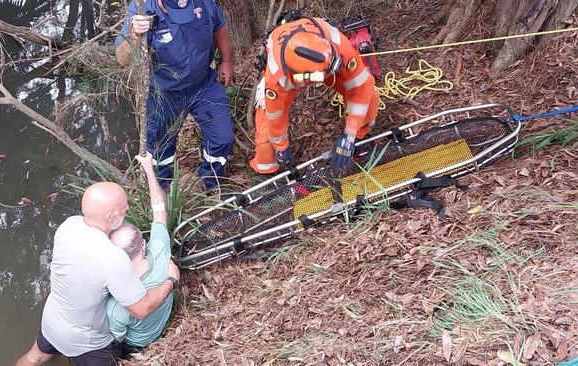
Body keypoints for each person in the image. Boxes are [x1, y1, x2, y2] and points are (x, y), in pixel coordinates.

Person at [16, 182, 179, 366]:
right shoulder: (114, 258)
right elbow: (142, 309)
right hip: (88, 342)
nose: (128, 208)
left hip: (53, 321)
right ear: (110, 216)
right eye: (124, 206)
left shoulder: (68, 226)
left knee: (35, 357)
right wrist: (171, 281)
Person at [116, 0, 234, 191]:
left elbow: (218, 25)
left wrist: (226, 61)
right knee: (161, 149)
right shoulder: (140, 10)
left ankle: (209, 183)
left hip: (203, 84)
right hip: (164, 92)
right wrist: (135, 34)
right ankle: (162, 191)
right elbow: (122, 59)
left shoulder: (204, 3)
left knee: (223, 138)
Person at [250, 16, 379, 175]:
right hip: (291, 75)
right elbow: (275, 116)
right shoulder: (276, 79)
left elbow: (361, 87)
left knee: (370, 97)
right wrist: (281, 147)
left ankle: (361, 137)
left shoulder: (338, 45)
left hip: (328, 64)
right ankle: (268, 170)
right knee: (267, 129)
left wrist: (350, 134)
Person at [106, 152, 178, 356]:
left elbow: (117, 338)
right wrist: (149, 170)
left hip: (139, 343)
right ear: (143, 245)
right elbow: (159, 211)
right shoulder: (161, 251)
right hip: (163, 321)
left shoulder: (118, 305)